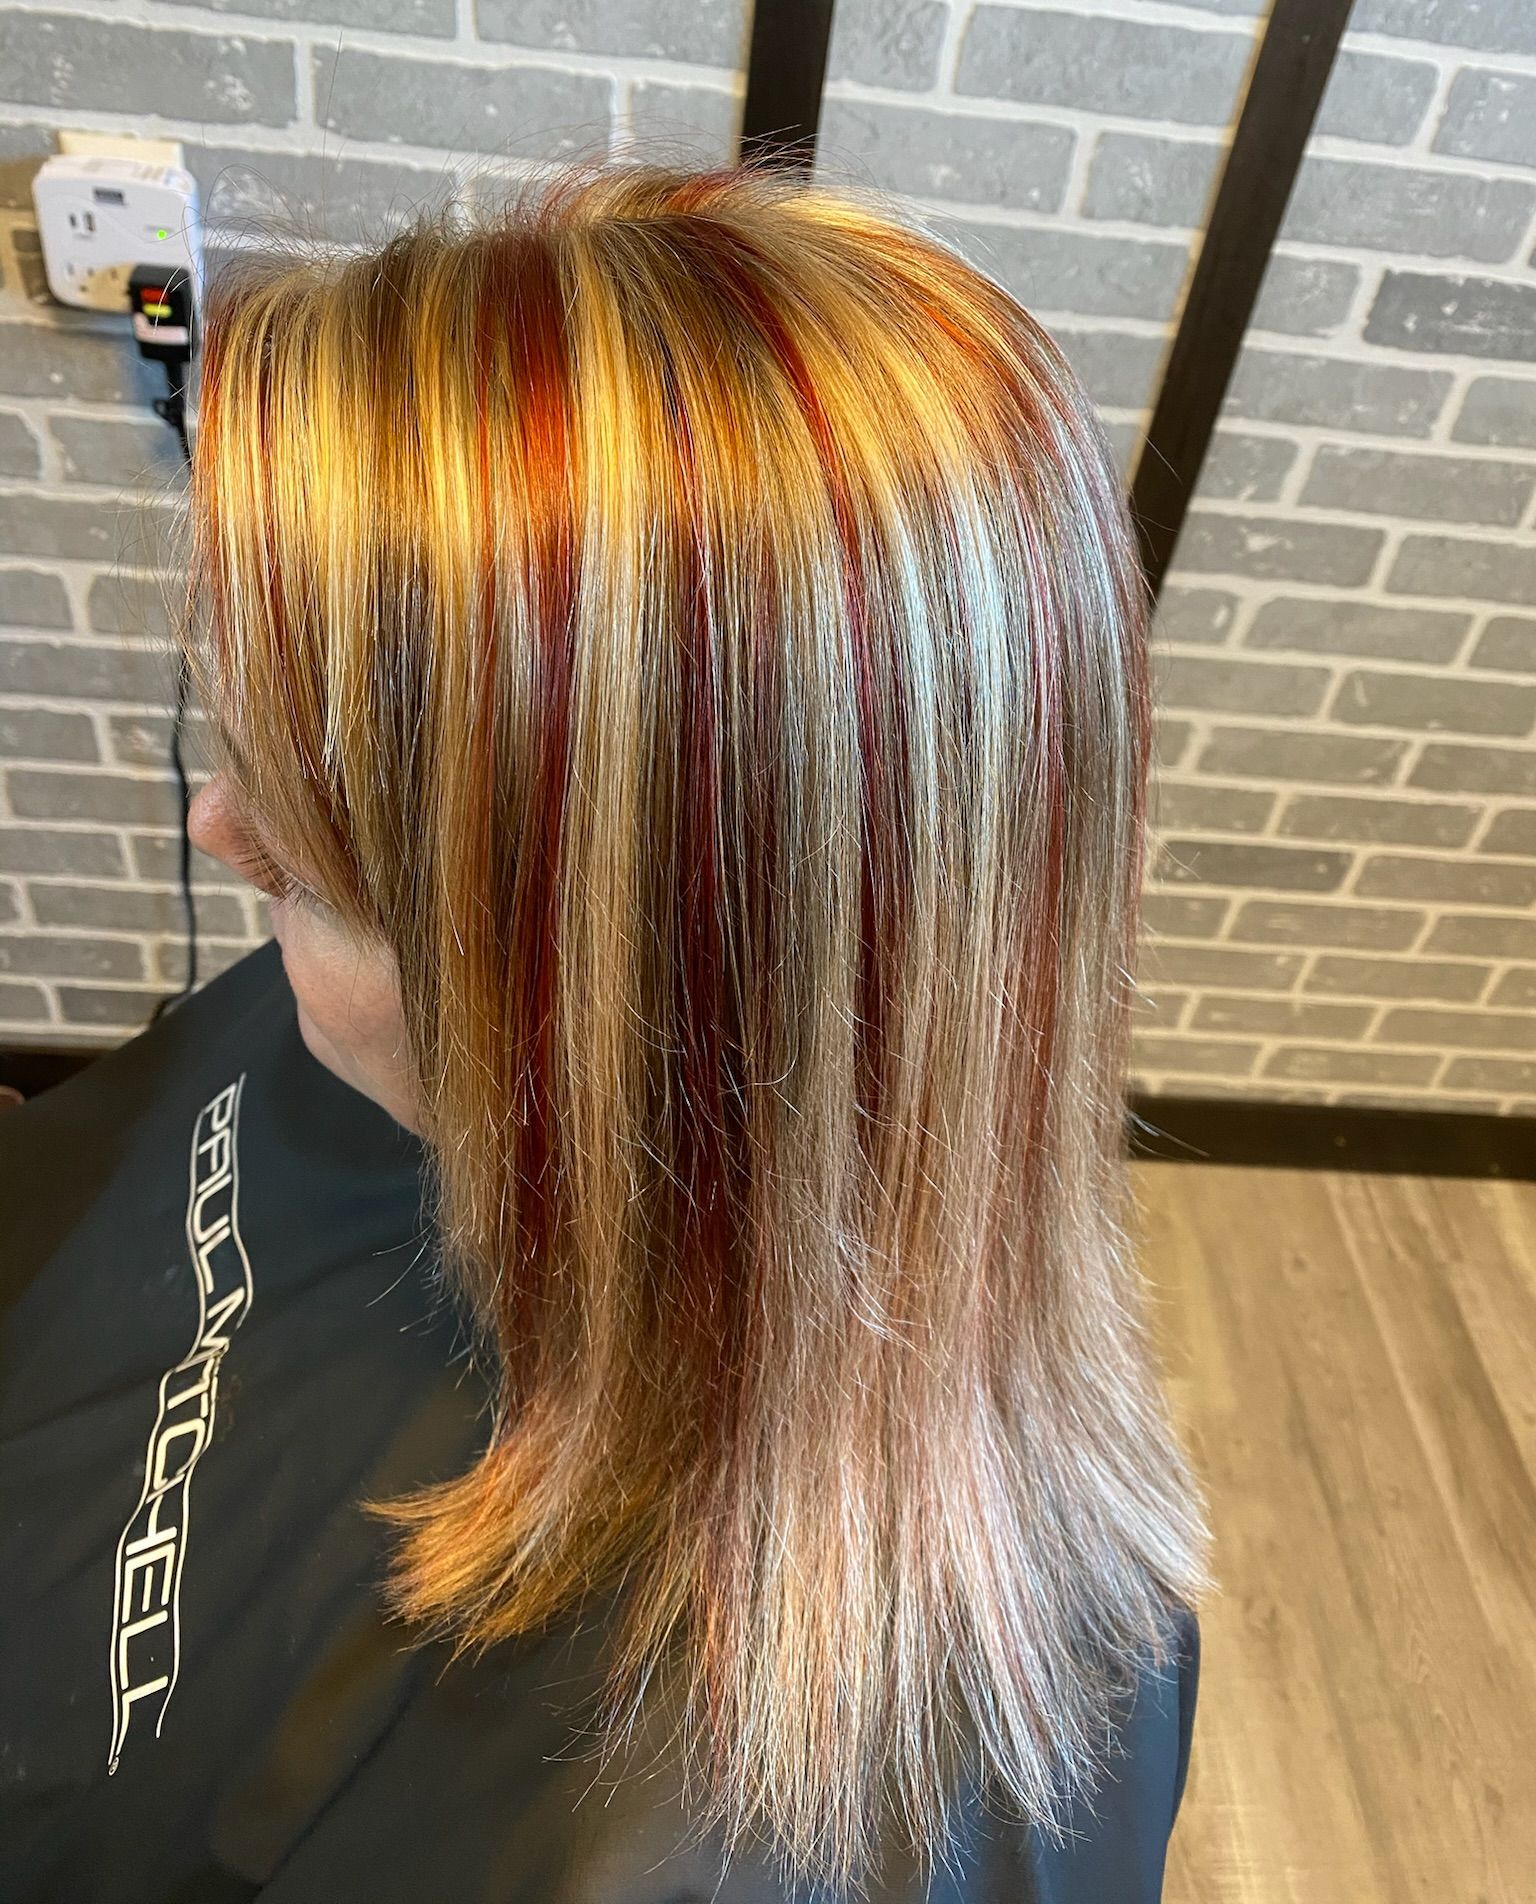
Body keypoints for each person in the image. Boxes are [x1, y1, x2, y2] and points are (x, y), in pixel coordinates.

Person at [0, 158, 1211, 1902]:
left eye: (320, 873)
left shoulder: (652, 1845)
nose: (216, 832)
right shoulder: (393, 1053)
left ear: (618, 1018)